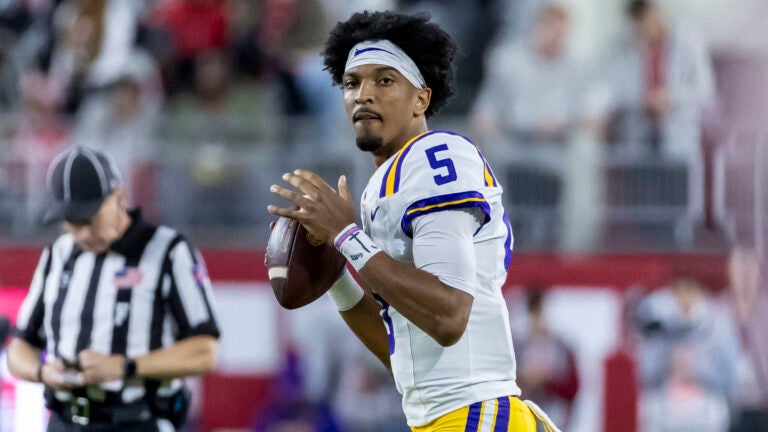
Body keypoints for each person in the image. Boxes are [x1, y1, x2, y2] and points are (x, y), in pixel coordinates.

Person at [267, 10, 560, 432]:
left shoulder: (436, 156)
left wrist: (347, 237)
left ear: (421, 98)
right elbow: (401, 350)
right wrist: (335, 275)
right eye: (352, 83)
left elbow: (449, 316)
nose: (363, 94)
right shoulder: (381, 186)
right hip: (443, 417)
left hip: (476, 413)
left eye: (384, 80)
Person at [6, 146, 220, 432]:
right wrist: (43, 372)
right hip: (64, 422)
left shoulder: (168, 251)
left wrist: (126, 366)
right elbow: (19, 347)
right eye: (72, 222)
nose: (82, 233)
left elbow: (204, 350)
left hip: (137, 421)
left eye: (90, 219)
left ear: (119, 196)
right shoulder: (58, 254)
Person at [607, 0, 715, 160]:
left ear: (658, 15)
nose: (643, 34)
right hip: (638, 138)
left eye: (646, 25)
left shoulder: (689, 40)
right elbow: (613, 88)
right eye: (638, 29)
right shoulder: (624, 43)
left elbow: (705, 91)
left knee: (675, 181)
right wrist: (642, 99)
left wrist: (670, 97)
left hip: (679, 138)